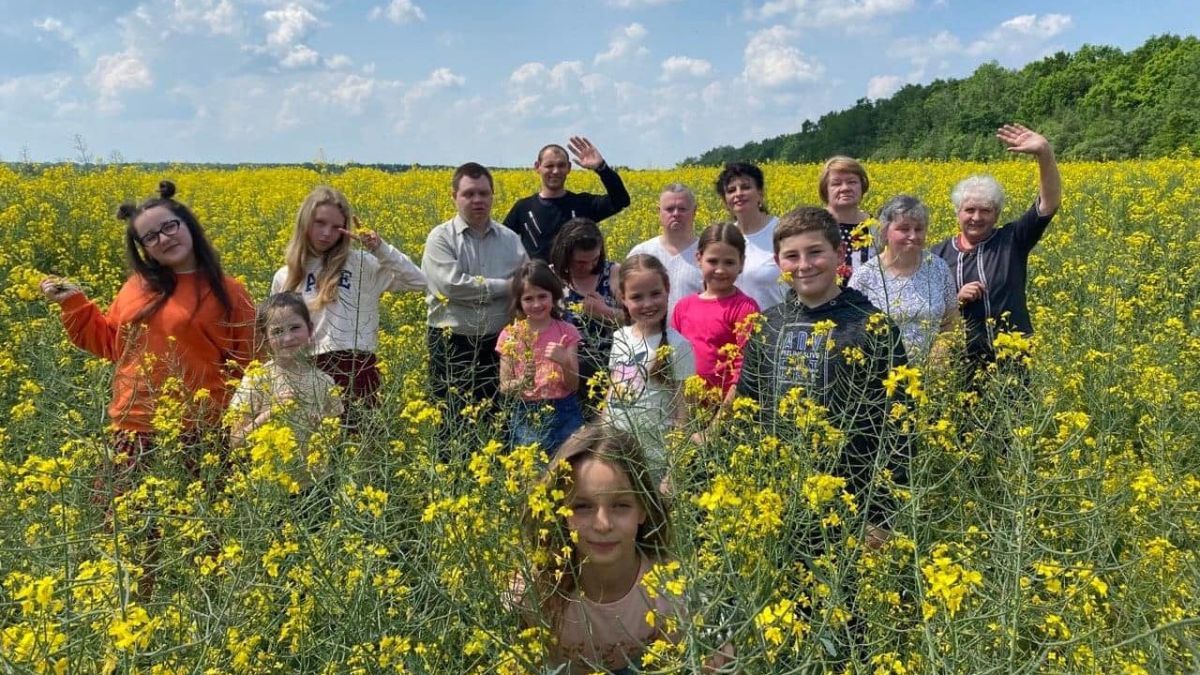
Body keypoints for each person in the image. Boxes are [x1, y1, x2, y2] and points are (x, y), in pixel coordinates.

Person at [40, 180, 255, 501]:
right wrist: (74, 303)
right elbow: (113, 344)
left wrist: (240, 421)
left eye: (170, 226)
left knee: (204, 532)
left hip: (200, 430)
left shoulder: (230, 291)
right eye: (151, 237)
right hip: (135, 424)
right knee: (124, 530)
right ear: (143, 248)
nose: (164, 238)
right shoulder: (136, 287)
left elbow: (250, 361)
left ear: (189, 225)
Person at [737, 206, 909, 545]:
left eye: (815, 252)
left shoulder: (872, 325)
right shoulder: (767, 325)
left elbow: (899, 425)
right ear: (778, 262)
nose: (803, 265)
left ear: (839, 254)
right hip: (777, 504)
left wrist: (882, 516)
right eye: (791, 256)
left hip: (851, 508)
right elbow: (748, 411)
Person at [515, 425, 675, 673]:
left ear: (644, 508)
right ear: (559, 511)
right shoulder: (536, 589)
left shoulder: (667, 591)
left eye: (621, 505)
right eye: (582, 507)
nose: (603, 525)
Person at [271, 185, 425, 423]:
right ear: (304, 222)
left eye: (336, 227)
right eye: (319, 223)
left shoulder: (363, 264)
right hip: (307, 372)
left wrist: (379, 248)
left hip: (359, 370)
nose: (326, 233)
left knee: (361, 453)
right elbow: (275, 335)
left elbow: (418, 281)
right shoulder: (286, 275)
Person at [931, 123, 1061, 372]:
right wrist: (956, 299)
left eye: (986, 211)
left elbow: (1048, 204)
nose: (977, 218)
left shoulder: (1012, 240)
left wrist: (1044, 154)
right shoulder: (937, 255)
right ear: (957, 212)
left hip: (1014, 358)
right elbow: (926, 313)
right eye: (969, 210)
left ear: (997, 214)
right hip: (961, 364)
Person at [423, 163, 528, 434]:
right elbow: (452, 287)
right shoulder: (440, 238)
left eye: (483, 193)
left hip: (500, 343)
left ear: (493, 195)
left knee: (500, 418)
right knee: (452, 420)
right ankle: (454, 475)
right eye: (469, 194)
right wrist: (507, 286)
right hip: (451, 344)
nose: (477, 200)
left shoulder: (510, 239)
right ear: (454, 196)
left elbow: (527, 284)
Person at [227, 293, 343, 492]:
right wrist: (269, 413)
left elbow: (336, 438)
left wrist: (322, 431)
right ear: (265, 337)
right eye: (278, 331)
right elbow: (236, 442)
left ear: (310, 330)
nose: (288, 337)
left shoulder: (324, 382)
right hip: (270, 490)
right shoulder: (256, 379)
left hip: (316, 486)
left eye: (295, 328)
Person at [605, 254, 696, 483]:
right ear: (623, 298)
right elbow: (611, 394)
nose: (648, 304)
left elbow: (684, 414)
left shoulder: (678, 345)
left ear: (667, 290)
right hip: (618, 453)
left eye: (655, 294)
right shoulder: (619, 337)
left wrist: (673, 473)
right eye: (637, 297)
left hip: (656, 460)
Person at [850, 195, 958, 362]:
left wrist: (940, 353)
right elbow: (851, 331)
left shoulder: (939, 267)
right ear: (885, 232)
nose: (913, 235)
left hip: (933, 373)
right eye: (904, 229)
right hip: (882, 376)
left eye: (919, 229)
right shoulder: (865, 276)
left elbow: (952, 320)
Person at [497, 261, 584, 455]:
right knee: (533, 475)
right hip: (526, 413)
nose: (536, 304)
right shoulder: (510, 335)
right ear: (519, 302)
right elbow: (504, 387)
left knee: (569, 469)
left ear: (553, 296)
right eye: (528, 298)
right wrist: (523, 381)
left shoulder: (567, 331)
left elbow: (573, 385)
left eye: (542, 296)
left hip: (565, 410)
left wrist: (564, 362)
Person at [671, 223, 760, 403]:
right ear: (699, 258)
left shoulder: (745, 308)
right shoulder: (683, 306)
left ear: (741, 263)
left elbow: (744, 370)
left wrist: (715, 428)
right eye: (712, 261)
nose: (720, 270)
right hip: (686, 412)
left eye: (729, 262)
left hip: (727, 413)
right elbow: (672, 359)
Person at [503, 137, 631, 261]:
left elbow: (621, 200)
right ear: (537, 167)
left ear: (569, 167)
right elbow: (501, 241)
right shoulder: (523, 208)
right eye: (549, 166)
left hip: (575, 279)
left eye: (561, 165)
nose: (555, 171)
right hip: (537, 281)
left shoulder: (582, 204)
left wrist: (601, 168)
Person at [549, 218, 621, 410]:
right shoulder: (549, 277)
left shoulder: (613, 273)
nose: (589, 266)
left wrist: (604, 312)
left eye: (595, 259)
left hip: (611, 374)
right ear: (565, 255)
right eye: (580, 262)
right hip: (562, 374)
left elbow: (638, 320)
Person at [715, 162, 785, 310]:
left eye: (746, 187)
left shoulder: (783, 231)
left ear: (760, 193)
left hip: (778, 327)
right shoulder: (724, 237)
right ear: (725, 200)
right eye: (731, 190)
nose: (738, 194)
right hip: (734, 328)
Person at [627, 183, 704, 317]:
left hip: (695, 336)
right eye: (669, 209)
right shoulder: (641, 252)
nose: (676, 214)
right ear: (659, 212)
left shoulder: (708, 254)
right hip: (649, 336)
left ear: (695, 211)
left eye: (682, 209)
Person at [819, 155, 876, 282]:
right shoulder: (813, 226)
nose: (845, 188)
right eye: (836, 183)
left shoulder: (876, 227)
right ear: (825, 190)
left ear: (862, 186)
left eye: (852, 182)